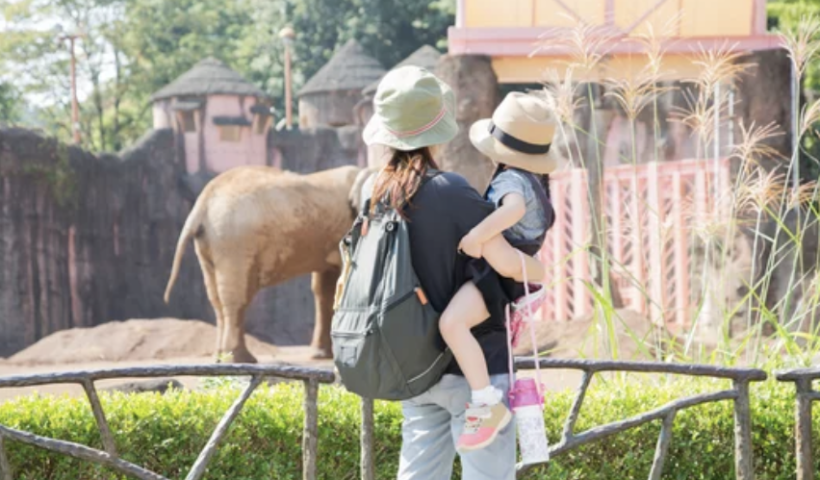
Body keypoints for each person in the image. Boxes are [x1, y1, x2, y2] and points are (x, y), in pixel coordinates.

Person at [362, 65, 516, 480]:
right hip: (475, 368)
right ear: (438, 130)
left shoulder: (372, 192)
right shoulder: (450, 190)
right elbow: (508, 264)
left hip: (414, 367)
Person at [440, 92, 559, 452]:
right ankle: (485, 399)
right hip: (511, 271)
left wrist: (478, 235)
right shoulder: (535, 180)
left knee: (451, 324)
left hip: (498, 277)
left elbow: (513, 209)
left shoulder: (512, 181)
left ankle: (485, 401)